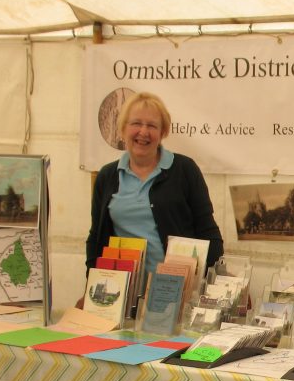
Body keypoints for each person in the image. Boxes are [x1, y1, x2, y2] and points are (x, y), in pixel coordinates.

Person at [84, 91, 223, 285]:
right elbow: (96, 238)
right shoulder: (107, 177)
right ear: (123, 129)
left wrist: (210, 283)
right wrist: (91, 284)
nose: (143, 132)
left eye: (152, 125)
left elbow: (208, 233)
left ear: (162, 132)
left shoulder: (185, 170)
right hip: (122, 291)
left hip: (176, 291)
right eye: (136, 123)